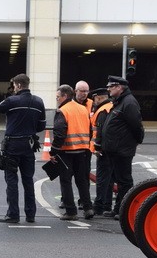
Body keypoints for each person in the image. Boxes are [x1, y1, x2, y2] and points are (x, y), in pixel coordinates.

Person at [0, 73, 46, 223]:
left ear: (19, 85)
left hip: (12, 145)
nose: (13, 88)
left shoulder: (12, 101)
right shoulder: (39, 102)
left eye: (14, 85)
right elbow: (42, 125)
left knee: (11, 180)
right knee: (28, 180)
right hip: (29, 145)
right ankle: (30, 214)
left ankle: (13, 214)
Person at [100, 74, 145, 219]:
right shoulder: (120, 101)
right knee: (119, 180)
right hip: (115, 149)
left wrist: (136, 141)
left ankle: (125, 210)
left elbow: (136, 126)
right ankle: (118, 208)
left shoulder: (128, 102)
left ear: (119, 87)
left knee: (124, 181)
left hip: (122, 149)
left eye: (110, 87)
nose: (108, 89)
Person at [51, 84, 93, 221]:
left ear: (65, 96)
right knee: (82, 181)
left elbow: (59, 133)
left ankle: (71, 211)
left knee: (66, 181)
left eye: (58, 97)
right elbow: (90, 130)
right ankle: (88, 208)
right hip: (82, 151)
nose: (57, 99)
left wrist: (53, 151)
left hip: (66, 152)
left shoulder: (62, 111)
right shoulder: (82, 109)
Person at [89, 87, 114, 216]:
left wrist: (97, 148)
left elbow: (100, 132)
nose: (93, 101)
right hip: (112, 149)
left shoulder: (102, 111)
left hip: (103, 150)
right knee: (110, 179)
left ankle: (99, 206)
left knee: (103, 179)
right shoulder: (111, 106)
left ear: (98, 98)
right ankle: (107, 205)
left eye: (94, 99)